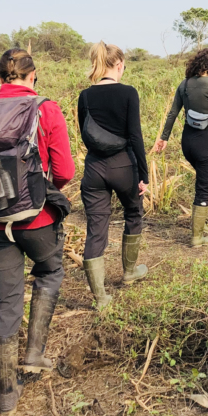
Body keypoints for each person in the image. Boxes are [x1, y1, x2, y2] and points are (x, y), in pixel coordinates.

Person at [0, 48, 75, 416]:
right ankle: (34, 353)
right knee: (50, 271)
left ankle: (7, 393)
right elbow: (66, 171)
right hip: (37, 220)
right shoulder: (46, 108)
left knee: (4, 301)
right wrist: (41, 188)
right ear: (33, 75)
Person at [77, 42, 149, 310]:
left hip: (94, 168)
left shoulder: (84, 96)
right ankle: (129, 273)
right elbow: (135, 136)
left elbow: (87, 134)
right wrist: (143, 174)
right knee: (133, 214)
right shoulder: (129, 93)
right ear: (119, 65)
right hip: (124, 166)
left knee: (95, 227)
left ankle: (100, 298)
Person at [153, 48, 208, 247]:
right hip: (206, 142)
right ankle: (196, 237)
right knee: (205, 185)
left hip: (188, 143)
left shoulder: (184, 85)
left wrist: (163, 138)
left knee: (204, 181)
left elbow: (173, 113)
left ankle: (200, 225)